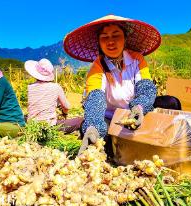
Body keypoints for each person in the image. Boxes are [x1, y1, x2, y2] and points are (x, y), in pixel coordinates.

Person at [64, 15, 161, 153]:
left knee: (170, 102)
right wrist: (93, 126)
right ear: (99, 42)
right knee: (96, 132)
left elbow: (146, 88)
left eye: (116, 35)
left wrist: (139, 107)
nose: (110, 42)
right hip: (111, 117)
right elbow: (95, 98)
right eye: (104, 37)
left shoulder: (137, 59)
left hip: (136, 113)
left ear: (125, 38)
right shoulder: (97, 66)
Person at [25, 58, 83, 133]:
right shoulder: (56, 87)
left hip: (32, 126)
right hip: (49, 127)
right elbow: (66, 107)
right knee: (80, 120)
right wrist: (64, 114)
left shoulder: (30, 87)